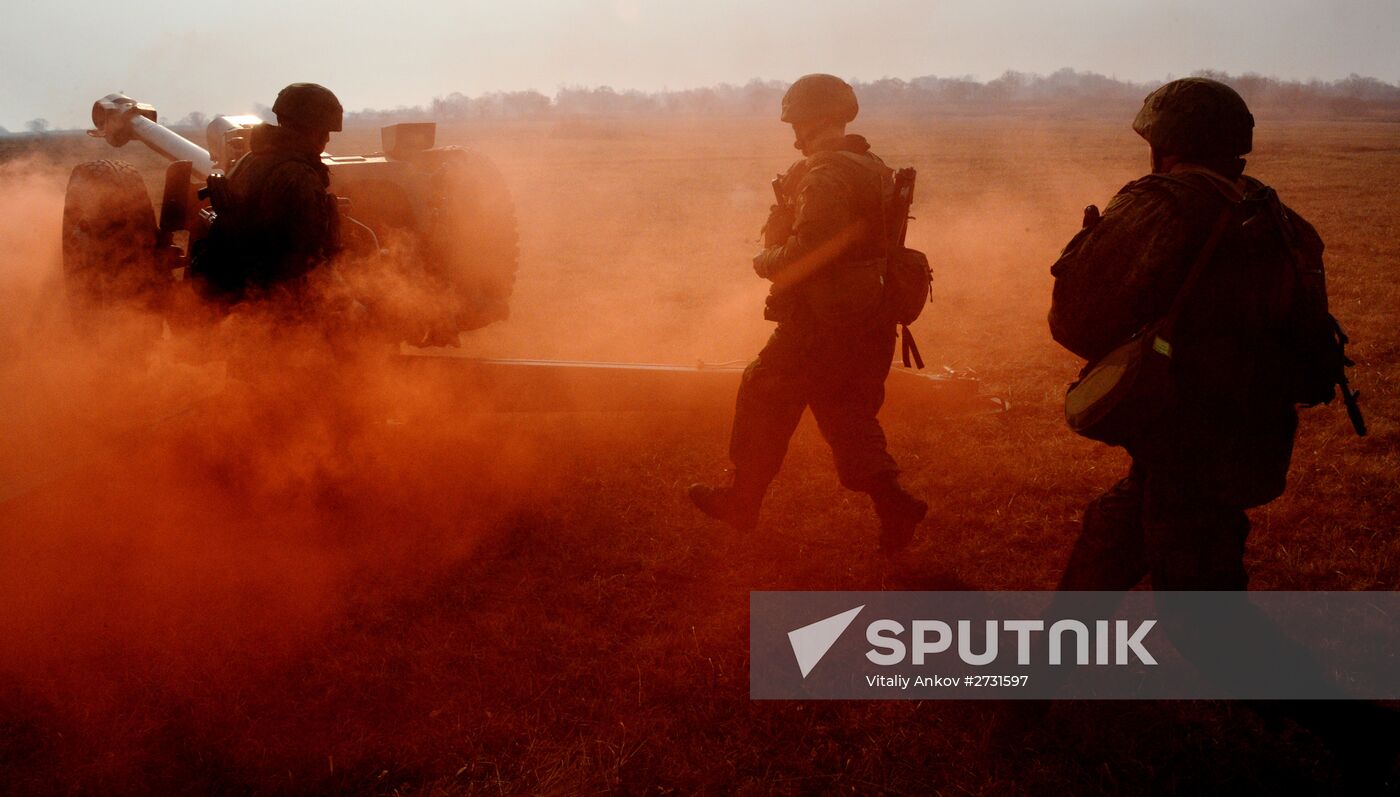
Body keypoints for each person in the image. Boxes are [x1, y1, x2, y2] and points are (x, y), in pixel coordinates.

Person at [1039, 77, 1395, 788]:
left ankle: (1361, 728)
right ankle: (1037, 679)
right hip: (1242, 432)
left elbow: (1075, 323)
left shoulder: (1160, 204)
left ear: (1164, 143)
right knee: (1112, 532)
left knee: (1204, 621)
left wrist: (1083, 252)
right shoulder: (1281, 219)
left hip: (1189, 437)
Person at [687, 74, 927, 555]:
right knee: (847, 415)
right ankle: (894, 503)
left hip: (823, 320)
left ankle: (743, 500)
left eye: (796, 122)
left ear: (814, 120)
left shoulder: (824, 173)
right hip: (868, 316)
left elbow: (809, 252)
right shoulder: (871, 165)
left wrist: (765, 260)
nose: (793, 134)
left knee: (763, 392)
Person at [189, 82, 343, 306]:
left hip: (235, 290)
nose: (327, 139)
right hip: (273, 300)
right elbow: (305, 257)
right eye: (324, 131)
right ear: (311, 129)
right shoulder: (299, 175)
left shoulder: (250, 160)